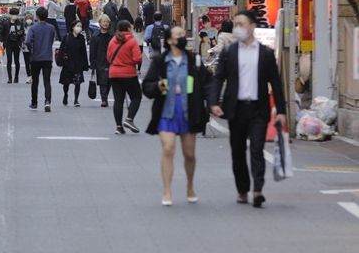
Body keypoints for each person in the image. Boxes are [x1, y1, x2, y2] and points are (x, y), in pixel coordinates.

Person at [209, 10, 286, 208]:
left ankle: (258, 189)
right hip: (236, 108)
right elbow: (218, 78)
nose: (238, 28)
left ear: (252, 27)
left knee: (257, 148)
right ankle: (243, 189)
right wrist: (214, 103)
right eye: (236, 25)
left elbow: (276, 84)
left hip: (258, 109)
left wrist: (282, 112)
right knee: (238, 151)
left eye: (242, 24)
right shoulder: (229, 52)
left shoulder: (266, 54)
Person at [142, 26, 212, 206]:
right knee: (168, 149)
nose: (183, 37)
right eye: (179, 35)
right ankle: (167, 191)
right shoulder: (160, 62)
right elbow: (147, 86)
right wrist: (157, 86)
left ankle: (190, 185)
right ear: (170, 40)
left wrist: (213, 104)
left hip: (190, 111)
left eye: (184, 34)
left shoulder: (194, 60)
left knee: (189, 153)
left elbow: (207, 84)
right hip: (166, 111)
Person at [108, 20, 143, 134]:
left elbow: (109, 58)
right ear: (128, 28)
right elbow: (138, 59)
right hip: (128, 73)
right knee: (136, 96)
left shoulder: (113, 40)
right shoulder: (132, 41)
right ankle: (129, 119)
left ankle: (118, 127)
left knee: (118, 100)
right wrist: (129, 61)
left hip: (114, 73)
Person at [26, 7, 56, 112]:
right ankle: (47, 101)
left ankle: (34, 103)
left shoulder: (33, 28)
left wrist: (32, 51)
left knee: (35, 81)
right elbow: (52, 40)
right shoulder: (51, 28)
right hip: (47, 57)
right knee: (47, 80)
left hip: (36, 58)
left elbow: (28, 41)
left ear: (37, 16)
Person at [58, 19, 89, 107]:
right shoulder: (67, 37)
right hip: (68, 62)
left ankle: (76, 99)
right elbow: (61, 50)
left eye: (80, 26)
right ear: (73, 27)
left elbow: (84, 52)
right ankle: (65, 95)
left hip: (78, 63)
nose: (79, 28)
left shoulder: (81, 38)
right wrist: (60, 61)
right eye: (77, 26)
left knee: (77, 82)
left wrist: (85, 65)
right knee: (66, 82)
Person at [90, 14, 113, 107]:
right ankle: (104, 99)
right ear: (99, 23)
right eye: (104, 21)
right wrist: (92, 63)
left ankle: (105, 96)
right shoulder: (95, 36)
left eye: (107, 22)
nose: (105, 23)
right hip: (100, 61)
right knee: (102, 80)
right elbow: (92, 50)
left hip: (111, 61)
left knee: (109, 81)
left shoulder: (112, 35)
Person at [1, 7, 25, 83]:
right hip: (8, 43)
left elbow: (22, 33)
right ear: (10, 15)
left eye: (16, 14)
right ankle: (10, 78)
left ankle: (16, 76)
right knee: (9, 60)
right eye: (13, 14)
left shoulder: (20, 23)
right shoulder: (6, 24)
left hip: (17, 43)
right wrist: (0, 42)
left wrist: (20, 33)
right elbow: (3, 33)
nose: (15, 16)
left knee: (17, 61)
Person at [22, 13, 34, 83]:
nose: (29, 21)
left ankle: (32, 75)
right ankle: (28, 75)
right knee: (27, 62)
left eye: (30, 19)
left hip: (32, 47)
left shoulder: (34, 28)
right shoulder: (23, 28)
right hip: (25, 47)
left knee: (32, 62)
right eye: (27, 19)